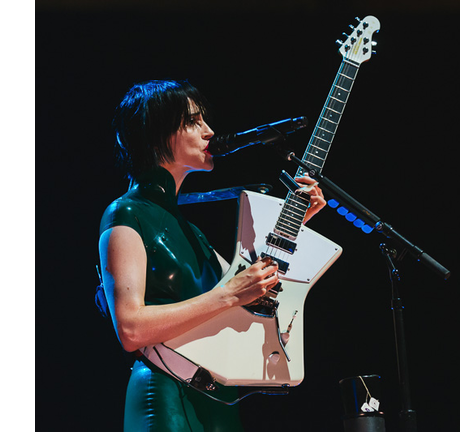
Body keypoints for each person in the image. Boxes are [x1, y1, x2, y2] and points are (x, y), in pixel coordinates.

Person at [98, 79, 326, 431]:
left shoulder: (192, 232)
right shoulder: (126, 214)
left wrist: (300, 218)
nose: (210, 131)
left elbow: (253, 288)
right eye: (193, 121)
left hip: (219, 400)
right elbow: (129, 328)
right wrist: (227, 294)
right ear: (158, 131)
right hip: (165, 394)